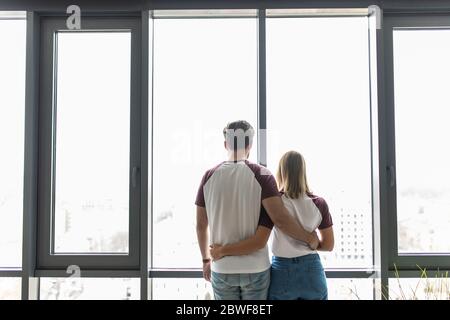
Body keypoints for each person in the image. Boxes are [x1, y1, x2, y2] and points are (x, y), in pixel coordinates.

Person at [195, 121, 319, 300]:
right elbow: (280, 219)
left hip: (222, 269)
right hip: (255, 268)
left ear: (225, 144)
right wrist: (310, 238)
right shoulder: (263, 174)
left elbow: (200, 225)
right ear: (250, 145)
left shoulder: (209, 176)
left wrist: (206, 260)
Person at [210, 150, 334, 300]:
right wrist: (313, 242)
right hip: (312, 269)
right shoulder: (319, 203)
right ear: (303, 171)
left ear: (281, 172)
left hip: (282, 270)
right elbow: (328, 245)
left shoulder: (275, 202)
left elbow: (263, 235)